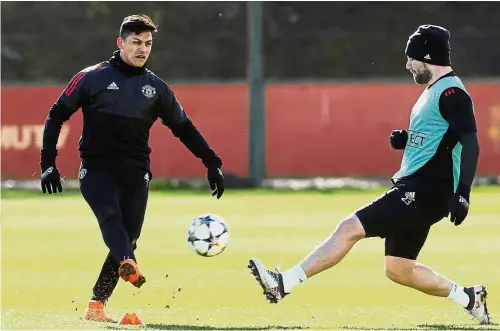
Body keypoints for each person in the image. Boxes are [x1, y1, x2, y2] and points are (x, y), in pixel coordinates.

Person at [247, 24, 489, 325]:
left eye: (410, 58)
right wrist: (408, 138)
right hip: (421, 188)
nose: (407, 65)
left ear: (426, 57)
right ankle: (470, 297)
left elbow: (471, 142)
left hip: (427, 190)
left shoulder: (452, 93)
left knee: (350, 227)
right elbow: (441, 137)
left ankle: (282, 283)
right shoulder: (433, 91)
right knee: (398, 269)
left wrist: (463, 192)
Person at [40, 14, 225, 322]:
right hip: (96, 167)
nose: (143, 49)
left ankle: (96, 306)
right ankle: (128, 261)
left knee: (130, 235)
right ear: (120, 43)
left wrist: (211, 162)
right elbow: (56, 114)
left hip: (136, 171)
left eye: (148, 43)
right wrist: (48, 164)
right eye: (136, 42)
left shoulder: (156, 88)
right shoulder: (91, 77)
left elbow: (184, 127)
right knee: (111, 218)